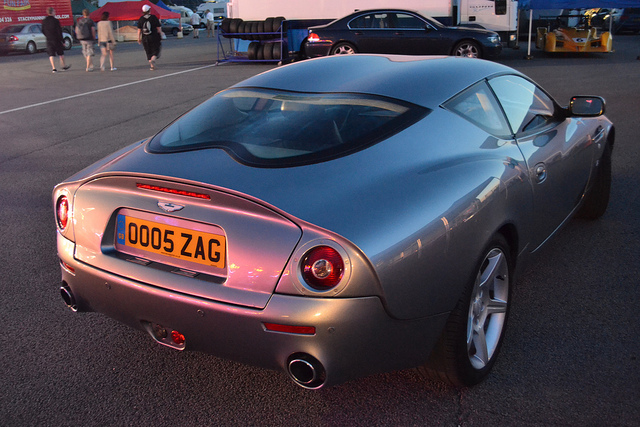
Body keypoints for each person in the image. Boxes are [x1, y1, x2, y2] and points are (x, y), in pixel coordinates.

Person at [42, 7, 70, 73]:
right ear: (52, 12)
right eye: (54, 11)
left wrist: (47, 35)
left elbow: (43, 30)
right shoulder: (56, 21)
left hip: (49, 39)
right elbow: (59, 31)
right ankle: (63, 66)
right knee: (61, 53)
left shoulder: (44, 21)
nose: (55, 13)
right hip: (56, 39)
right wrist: (62, 41)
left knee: (51, 54)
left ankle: (54, 68)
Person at [137, 4, 163, 70]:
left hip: (145, 38)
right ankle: (153, 59)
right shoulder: (153, 17)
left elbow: (139, 30)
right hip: (154, 36)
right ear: (149, 10)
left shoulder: (141, 19)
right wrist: (161, 34)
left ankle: (151, 66)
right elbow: (158, 27)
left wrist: (138, 38)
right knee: (156, 49)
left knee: (148, 51)